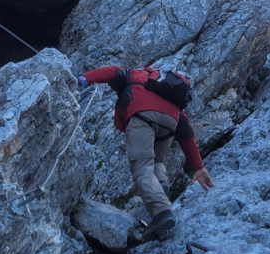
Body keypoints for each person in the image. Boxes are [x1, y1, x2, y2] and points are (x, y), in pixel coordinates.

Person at [78, 65, 214, 241]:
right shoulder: (168, 91)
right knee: (158, 161)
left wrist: (84, 79)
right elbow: (186, 130)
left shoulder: (134, 74)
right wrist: (198, 166)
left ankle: (162, 212)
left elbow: (111, 72)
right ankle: (161, 185)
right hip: (169, 122)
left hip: (142, 115)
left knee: (142, 168)